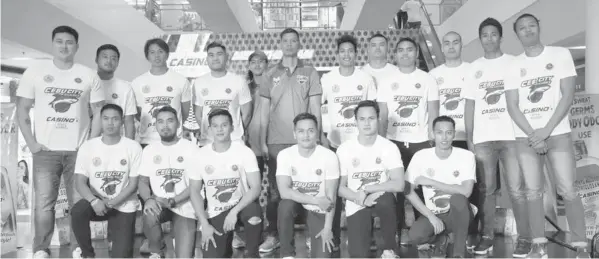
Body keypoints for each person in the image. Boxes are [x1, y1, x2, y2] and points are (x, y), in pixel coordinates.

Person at [15, 25, 105, 258]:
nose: (64, 46)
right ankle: (41, 248)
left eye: (69, 42)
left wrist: (90, 145)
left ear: (77, 46)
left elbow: (98, 112)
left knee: (79, 204)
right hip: (45, 151)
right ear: (52, 43)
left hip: (78, 151)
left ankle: (79, 247)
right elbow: (22, 110)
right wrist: (32, 144)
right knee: (44, 205)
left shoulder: (88, 75)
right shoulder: (35, 72)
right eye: (59, 41)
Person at [505, 13, 589, 258]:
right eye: (522, 28)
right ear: (517, 34)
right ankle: (538, 244)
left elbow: (567, 95)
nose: (527, 30)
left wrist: (546, 131)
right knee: (533, 191)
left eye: (531, 25)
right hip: (525, 138)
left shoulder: (560, 55)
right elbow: (512, 106)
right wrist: (533, 134)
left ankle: (581, 246)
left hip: (558, 134)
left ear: (538, 27)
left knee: (568, 189)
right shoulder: (513, 65)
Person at [463, 18, 531, 257]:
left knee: (517, 189)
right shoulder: (474, 68)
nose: (489, 38)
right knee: (487, 190)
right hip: (483, 139)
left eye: (493, 34)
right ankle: (487, 236)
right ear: (480, 38)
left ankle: (525, 237)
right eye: (484, 35)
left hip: (512, 137)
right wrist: (470, 137)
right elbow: (469, 105)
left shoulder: (514, 63)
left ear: (501, 37)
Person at [258, 28, 324, 253]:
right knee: (277, 192)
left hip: (305, 141)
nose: (289, 44)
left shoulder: (310, 71)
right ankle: (274, 235)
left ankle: (309, 233)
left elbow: (315, 107)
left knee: (308, 187)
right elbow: (264, 111)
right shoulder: (269, 74)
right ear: (280, 44)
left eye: (293, 40)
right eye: (285, 41)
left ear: (299, 44)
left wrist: (319, 136)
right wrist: (263, 139)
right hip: (277, 141)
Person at [376, 37, 439, 242]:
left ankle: (425, 230)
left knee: (420, 188)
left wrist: (433, 139)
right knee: (398, 190)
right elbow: (383, 115)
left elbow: (433, 112)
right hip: (394, 142)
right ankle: (400, 229)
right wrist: (382, 141)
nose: (405, 53)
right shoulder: (387, 81)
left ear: (416, 53)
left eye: (409, 49)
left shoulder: (427, 79)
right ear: (395, 54)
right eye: (401, 50)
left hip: (420, 142)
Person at [70, 104, 141, 258]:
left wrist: (112, 202)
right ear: (100, 121)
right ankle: (87, 254)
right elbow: (79, 182)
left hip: (124, 204)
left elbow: (133, 184)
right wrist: (94, 201)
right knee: (77, 211)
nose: (110, 123)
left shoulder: (133, 147)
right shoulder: (88, 147)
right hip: (97, 202)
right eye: (106, 119)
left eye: (115, 119)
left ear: (122, 121)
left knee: (121, 255)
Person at [189, 109, 263, 258]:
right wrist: (204, 223)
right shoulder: (199, 156)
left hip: (241, 206)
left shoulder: (244, 152)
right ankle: (225, 247)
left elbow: (256, 188)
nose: (220, 129)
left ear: (232, 127)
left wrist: (234, 212)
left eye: (224, 125)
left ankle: (252, 254)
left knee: (254, 214)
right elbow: (194, 192)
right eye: (215, 126)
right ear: (209, 129)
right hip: (216, 211)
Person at [336, 100, 403, 258]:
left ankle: (389, 249)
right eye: (362, 119)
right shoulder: (345, 149)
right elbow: (339, 187)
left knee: (387, 200)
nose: (366, 123)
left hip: (381, 197)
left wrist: (368, 190)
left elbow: (399, 184)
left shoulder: (389, 147)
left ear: (378, 119)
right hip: (356, 202)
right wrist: (359, 198)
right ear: (356, 122)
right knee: (359, 254)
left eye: (371, 118)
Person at [406, 116, 475, 258]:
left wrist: (431, 182)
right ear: (432, 134)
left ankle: (458, 252)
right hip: (435, 213)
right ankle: (442, 239)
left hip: (459, 213)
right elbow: (406, 189)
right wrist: (430, 216)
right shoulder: (421, 156)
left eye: (449, 132)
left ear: (454, 134)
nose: (444, 137)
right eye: (439, 132)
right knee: (415, 236)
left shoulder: (466, 156)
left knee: (458, 199)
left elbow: (466, 192)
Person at [276, 113, 339, 258]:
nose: (306, 135)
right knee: (285, 205)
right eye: (301, 131)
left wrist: (327, 228)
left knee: (323, 254)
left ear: (317, 133)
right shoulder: (285, 155)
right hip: (299, 205)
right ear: (294, 134)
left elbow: (331, 197)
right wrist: (316, 200)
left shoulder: (329, 156)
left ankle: (314, 236)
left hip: (319, 210)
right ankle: (287, 254)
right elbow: (284, 192)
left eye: (310, 130)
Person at [137, 106, 198, 258]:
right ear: (155, 125)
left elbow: (196, 185)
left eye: (170, 121)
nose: (165, 126)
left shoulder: (191, 148)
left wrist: (172, 201)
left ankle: (177, 239)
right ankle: (157, 250)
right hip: (160, 205)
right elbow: (143, 182)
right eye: (160, 122)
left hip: (186, 206)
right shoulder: (149, 150)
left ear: (178, 123)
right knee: (149, 212)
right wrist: (149, 199)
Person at [232, 50, 270, 249]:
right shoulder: (243, 86)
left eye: (261, 61)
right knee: (244, 188)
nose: (257, 64)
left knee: (269, 189)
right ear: (248, 65)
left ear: (267, 64)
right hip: (247, 144)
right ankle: (239, 230)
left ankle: (265, 232)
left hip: (270, 141)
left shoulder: (273, 83)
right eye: (253, 61)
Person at [132, 38, 191, 148]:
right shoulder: (137, 83)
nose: (157, 56)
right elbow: (137, 113)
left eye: (160, 51)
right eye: (152, 52)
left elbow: (184, 112)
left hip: (174, 140)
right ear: (147, 56)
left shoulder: (181, 80)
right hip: (147, 141)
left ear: (167, 55)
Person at [193, 42, 252, 147]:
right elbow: (198, 113)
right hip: (208, 142)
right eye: (211, 55)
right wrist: (208, 132)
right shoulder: (199, 82)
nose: (215, 58)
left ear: (226, 57)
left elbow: (246, 114)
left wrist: (236, 132)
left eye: (219, 54)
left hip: (234, 141)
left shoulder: (239, 81)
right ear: (207, 59)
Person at [429, 32, 470, 150]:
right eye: (447, 44)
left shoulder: (472, 70)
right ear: (442, 48)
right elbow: (432, 108)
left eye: (455, 43)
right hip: (443, 137)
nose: (451, 47)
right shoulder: (433, 75)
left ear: (461, 45)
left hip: (469, 135)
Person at [96, 44, 137, 139]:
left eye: (113, 58)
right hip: (88, 141)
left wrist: (129, 146)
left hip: (115, 142)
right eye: (105, 57)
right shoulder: (87, 83)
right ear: (96, 60)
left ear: (118, 62)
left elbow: (129, 121)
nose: (109, 61)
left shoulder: (125, 87)